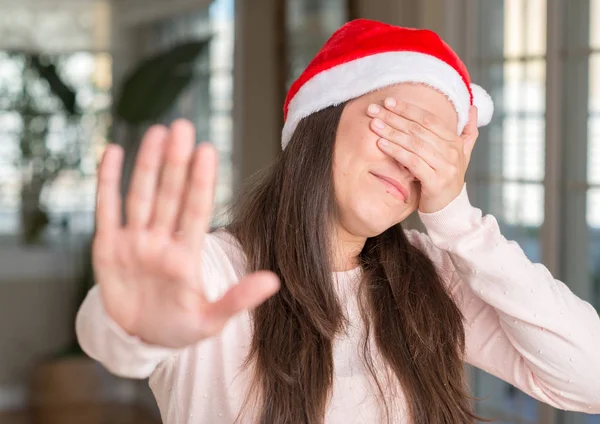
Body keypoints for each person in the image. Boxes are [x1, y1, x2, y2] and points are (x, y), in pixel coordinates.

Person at [76, 19, 600, 424]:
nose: (412, 161)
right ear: (322, 119)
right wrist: (133, 328)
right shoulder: (216, 273)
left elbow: (589, 377)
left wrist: (458, 220)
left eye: (437, 152)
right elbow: (114, 331)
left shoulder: (433, 278)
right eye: (400, 126)